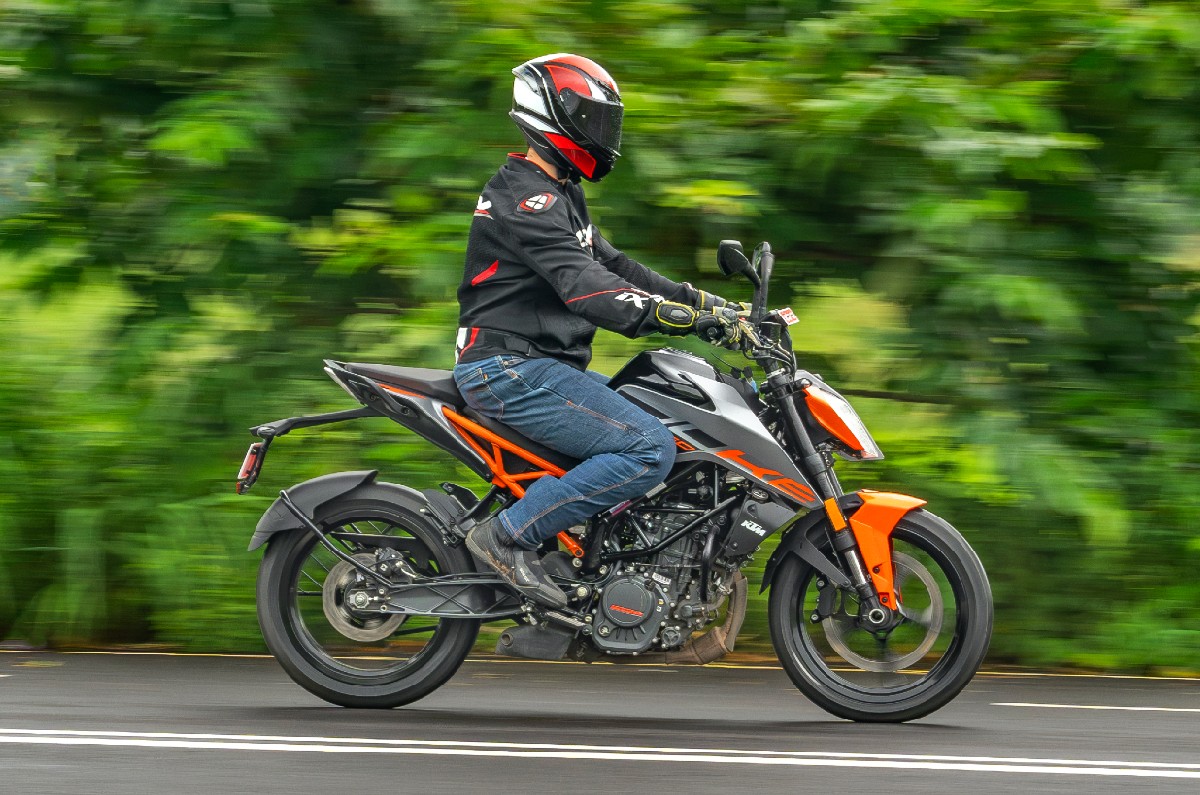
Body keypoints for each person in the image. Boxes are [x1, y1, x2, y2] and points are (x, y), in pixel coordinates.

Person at [455, 53, 745, 609]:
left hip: (542, 368)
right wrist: (677, 319)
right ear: (554, 115)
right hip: (509, 368)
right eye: (592, 118)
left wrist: (719, 310)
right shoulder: (525, 196)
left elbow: (622, 270)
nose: (602, 132)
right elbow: (588, 286)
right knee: (646, 448)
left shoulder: (560, 193)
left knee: (671, 417)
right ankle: (506, 537)